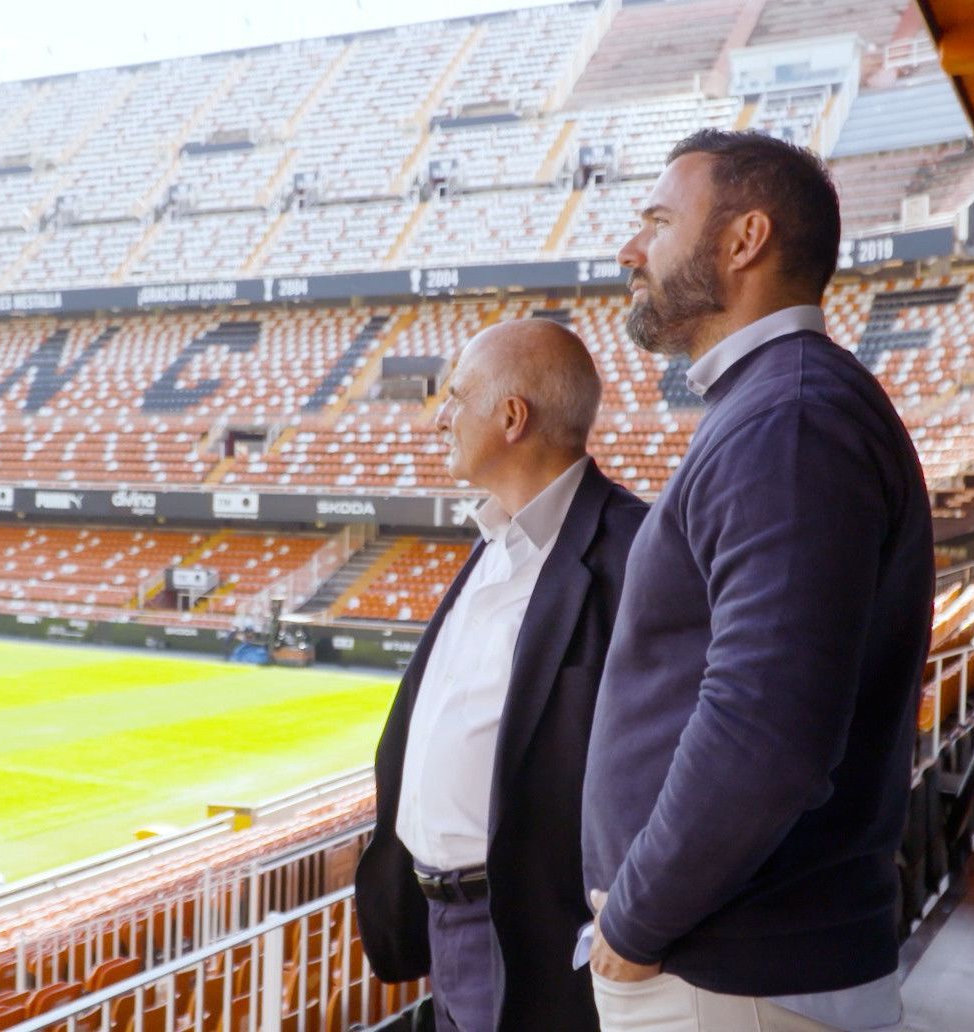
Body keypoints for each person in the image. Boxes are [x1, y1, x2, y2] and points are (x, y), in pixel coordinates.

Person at [579, 129, 934, 1032]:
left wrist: (634, 920)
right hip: (732, 971)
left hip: (734, 980)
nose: (631, 249)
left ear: (744, 241)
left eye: (658, 220)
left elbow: (765, 730)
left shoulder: (793, 418)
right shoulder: (778, 404)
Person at [356, 318, 649, 1031]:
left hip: (533, 936)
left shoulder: (638, 553)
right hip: (443, 926)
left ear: (512, 417)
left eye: (456, 397)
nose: (440, 419)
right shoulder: (494, 541)